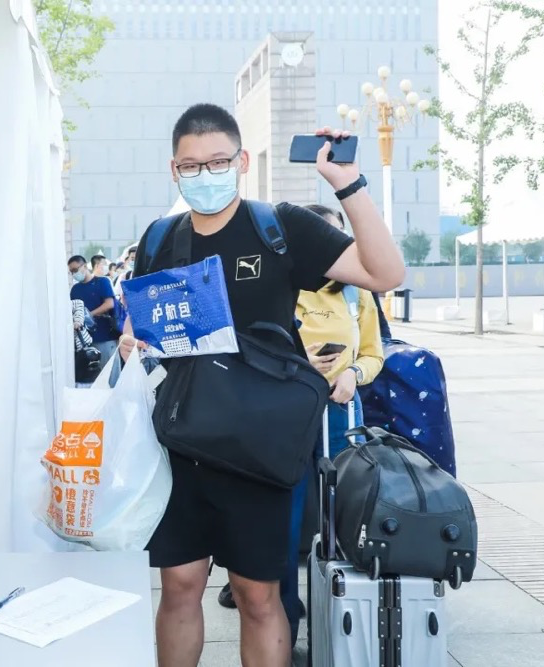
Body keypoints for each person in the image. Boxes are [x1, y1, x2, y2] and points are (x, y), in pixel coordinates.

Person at [117, 104, 404, 667]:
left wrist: (349, 185)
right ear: (174, 171)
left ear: (242, 161)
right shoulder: (158, 238)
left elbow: (386, 274)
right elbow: (141, 322)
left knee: (257, 595)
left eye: (218, 161)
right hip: (180, 443)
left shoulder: (281, 227)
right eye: (191, 166)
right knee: (178, 585)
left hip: (258, 447)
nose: (206, 174)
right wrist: (133, 340)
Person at [217, 203, 387, 644]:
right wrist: (299, 362)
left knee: (344, 518)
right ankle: (283, 623)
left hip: (339, 415)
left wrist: (354, 374)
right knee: (285, 523)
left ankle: (346, 629)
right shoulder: (283, 285)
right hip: (285, 416)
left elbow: (373, 353)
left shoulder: (355, 293)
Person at [68, 254, 118, 366]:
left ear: (84, 266)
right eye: (71, 272)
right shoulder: (75, 289)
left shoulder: (102, 282)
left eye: (76, 270)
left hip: (105, 337)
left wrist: (88, 315)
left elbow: (109, 304)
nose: (74, 274)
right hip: (85, 341)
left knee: (109, 375)